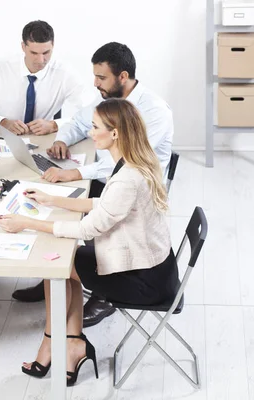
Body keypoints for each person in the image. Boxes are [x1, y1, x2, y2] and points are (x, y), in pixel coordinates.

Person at [0, 99, 178, 385]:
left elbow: (87, 228)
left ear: (115, 133)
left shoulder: (127, 177)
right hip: (155, 267)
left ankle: (54, 342)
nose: (90, 133)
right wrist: (52, 199)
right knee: (64, 265)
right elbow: (106, 205)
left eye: (95, 127)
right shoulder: (134, 162)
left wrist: (28, 223)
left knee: (54, 265)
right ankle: (72, 344)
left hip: (144, 282)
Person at [13, 42, 174, 327]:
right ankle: (54, 283)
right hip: (117, 193)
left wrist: (28, 221)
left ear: (122, 76)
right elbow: (80, 123)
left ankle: (98, 293)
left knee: (68, 234)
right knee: (65, 213)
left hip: (135, 223)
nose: (95, 83)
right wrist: (61, 142)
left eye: (101, 77)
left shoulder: (153, 115)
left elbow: (95, 216)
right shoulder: (108, 105)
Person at [0, 20, 84, 136]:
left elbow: (92, 113)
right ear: (23, 47)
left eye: (46, 52)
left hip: (43, 141)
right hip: (3, 139)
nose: (41, 60)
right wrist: (3, 122)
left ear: (53, 45)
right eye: (34, 53)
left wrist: (54, 125)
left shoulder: (64, 73)